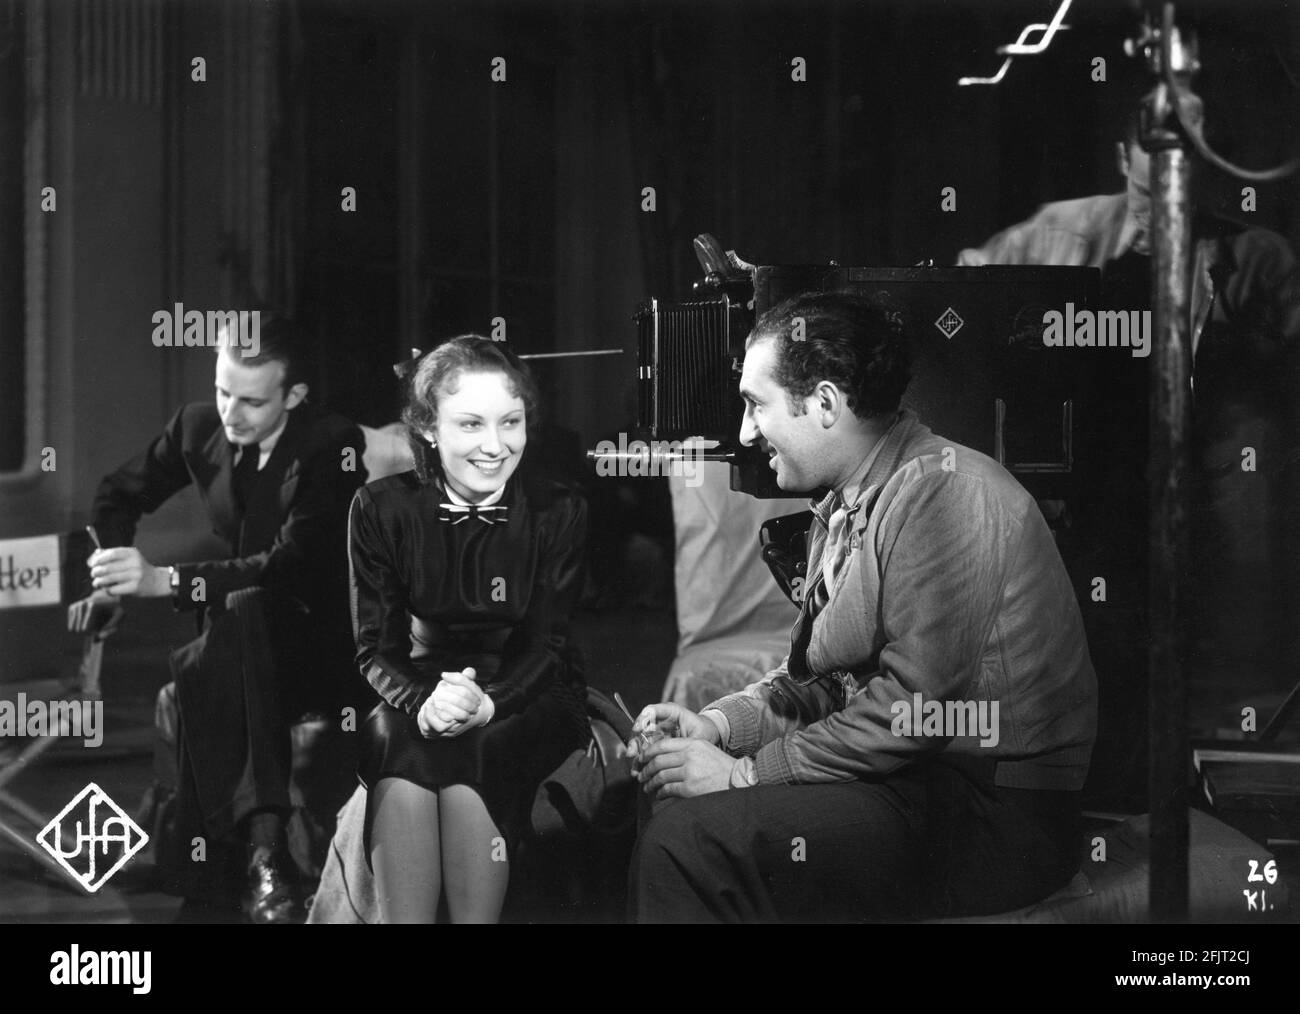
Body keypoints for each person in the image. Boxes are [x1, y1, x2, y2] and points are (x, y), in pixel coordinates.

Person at [627, 291, 1098, 922]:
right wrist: (717, 727)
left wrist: (742, 777)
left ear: (824, 403)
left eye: (754, 405)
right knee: (666, 797)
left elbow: (913, 709)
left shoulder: (946, 493)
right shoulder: (852, 501)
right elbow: (817, 682)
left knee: (686, 843)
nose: (744, 432)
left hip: (995, 816)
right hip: (921, 782)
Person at [72, 316, 367, 923]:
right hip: (238, 638)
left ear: (295, 396)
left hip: (320, 647)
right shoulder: (198, 425)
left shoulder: (331, 445)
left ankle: (231, 856)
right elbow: (116, 493)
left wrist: (168, 580)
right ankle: (265, 857)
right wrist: (109, 579)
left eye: (252, 401)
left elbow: (290, 566)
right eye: (223, 391)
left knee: (238, 614)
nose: (231, 412)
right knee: (233, 619)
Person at [349, 335, 588, 923]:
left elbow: (546, 646)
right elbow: (374, 648)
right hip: (415, 683)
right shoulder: (380, 507)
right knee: (398, 752)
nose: (495, 445)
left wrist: (488, 705)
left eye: (512, 421)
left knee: (471, 756)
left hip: (532, 685)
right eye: (471, 424)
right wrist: (423, 699)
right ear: (429, 428)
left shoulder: (560, 508)